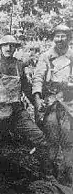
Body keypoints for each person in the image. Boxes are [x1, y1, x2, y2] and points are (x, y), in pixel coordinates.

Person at [0, 35, 50, 164]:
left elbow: (27, 89)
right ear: (0, 47)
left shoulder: (19, 65)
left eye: (12, 45)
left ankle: (40, 170)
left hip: (17, 111)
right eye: (5, 45)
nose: (9, 48)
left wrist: (38, 102)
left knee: (39, 137)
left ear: (15, 48)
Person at [32, 24, 73, 183]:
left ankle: (68, 174)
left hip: (69, 102)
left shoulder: (72, 55)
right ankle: (48, 175)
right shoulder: (46, 56)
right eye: (57, 36)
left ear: (68, 38)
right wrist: (37, 98)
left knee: (69, 140)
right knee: (51, 138)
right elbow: (38, 78)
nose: (60, 39)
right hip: (51, 102)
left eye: (64, 36)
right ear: (53, 38)